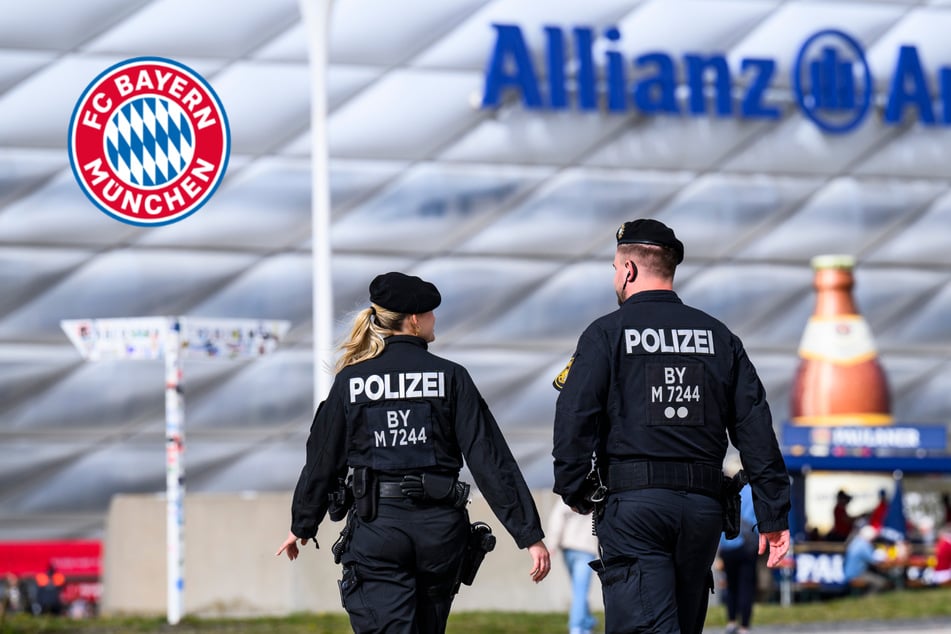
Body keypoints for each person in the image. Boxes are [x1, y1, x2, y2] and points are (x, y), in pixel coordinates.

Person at [552, 219, 791, 634]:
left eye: (614, 268)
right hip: (702, 511)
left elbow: (575, 416)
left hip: (635, 509)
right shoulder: (719, 338)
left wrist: (575, 488)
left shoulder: (606, 334)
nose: (615, 277)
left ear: (628, 270)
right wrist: (773, 514)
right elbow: (755, 427)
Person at [276, 272, 550, 634]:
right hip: (440, 534)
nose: (435, 320)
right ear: (415, 320)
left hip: (378, 530)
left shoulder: (351, 381)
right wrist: (528, 533)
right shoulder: (452, 377)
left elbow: (323, 459)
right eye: (431, 313)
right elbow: (489, 458)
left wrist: (302, 524)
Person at [548, 502, 599, 634]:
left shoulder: (568, 494)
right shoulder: (597, 495)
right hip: (585, 548)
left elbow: (556, 519)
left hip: (569, 547)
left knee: (578, 588)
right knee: (580, 590)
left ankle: (588, 622)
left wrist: (552, 543)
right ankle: (576, 627)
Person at [718, 481, 759, 634]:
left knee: (731, 585)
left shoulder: (725, 491)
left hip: (727, 545)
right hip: (747, 545)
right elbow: (757, 519)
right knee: (746, 586)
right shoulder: (752, 492)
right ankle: (744, 626)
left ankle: (731, 621)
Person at [843, 524, 890, 594]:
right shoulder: (864, 545)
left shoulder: (856, 541)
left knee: (874, 577)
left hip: (849, 572)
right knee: (880, 582)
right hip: (856, 574)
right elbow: (873, 560)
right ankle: (868, 599)